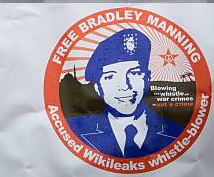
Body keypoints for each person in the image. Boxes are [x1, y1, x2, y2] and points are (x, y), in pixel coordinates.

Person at [68, 29, 183, 158]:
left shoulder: (176, 132)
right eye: (110, 77)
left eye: (133, 73)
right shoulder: (75, 129)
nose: (124, 87)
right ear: (97, 88)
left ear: (147, 79)